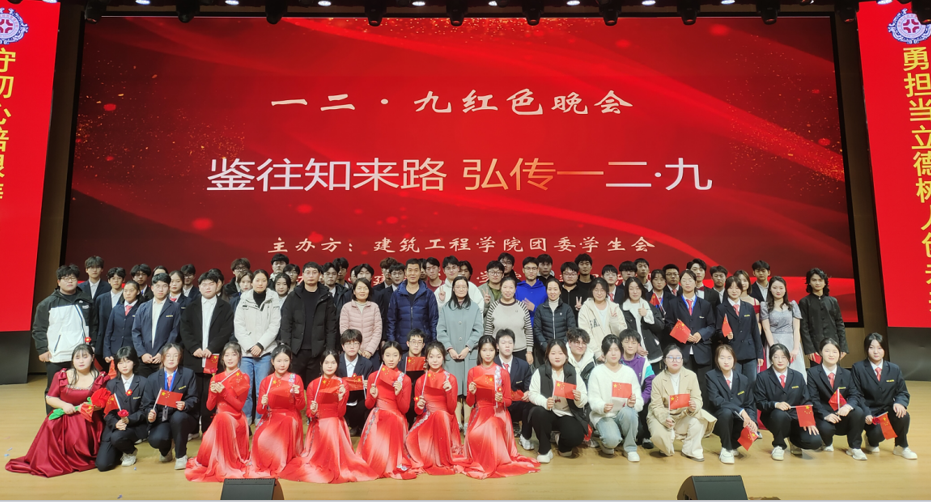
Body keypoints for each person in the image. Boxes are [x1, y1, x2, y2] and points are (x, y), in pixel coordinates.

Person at [6, 344, 109, 477]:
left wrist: (89, 407)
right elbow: (50, 398)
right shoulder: (62, 375)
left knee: (78, 434)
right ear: (72, 360)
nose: (81, 361)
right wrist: (64, 405)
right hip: (64, 415)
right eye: (77, 358)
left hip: (87, 418)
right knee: (51, 424)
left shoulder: (100, 377)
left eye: (85, 357)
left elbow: (103, 403)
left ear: (92, 357)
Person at [280, 350, 378, 484]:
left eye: (333, 363)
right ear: (321, 364)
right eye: (326, 362)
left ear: (337, 364)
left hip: (336, 422)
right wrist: (313, 410)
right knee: (328, 425)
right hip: (318, 423)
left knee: (332, 423)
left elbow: (341, 413)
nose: (330, 366)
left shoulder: (343, 384)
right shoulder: (313, 384)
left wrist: (341, 399)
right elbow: (309, 414)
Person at [462, 335, 539, 478]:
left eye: (491, 350)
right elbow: (470, 402)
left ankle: (491, 462)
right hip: (479, 412)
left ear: (495, 350)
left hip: (498, 413)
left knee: (491, 426)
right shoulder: (473, 372)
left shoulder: (502, 373)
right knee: (473, 435)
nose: (487, 353)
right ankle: (483, 460)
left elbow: (508, 401)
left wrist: (501, 400)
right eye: (484, 350)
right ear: (479, 351)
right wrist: (471, 392)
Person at [33, 264, 98, 413]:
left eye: (73, 278)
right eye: (65, 278)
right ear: (58, 282)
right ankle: (52, 420)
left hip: (81, 355)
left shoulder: (86, 301)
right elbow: (39, 329)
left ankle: (79, 419)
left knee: (81, 387)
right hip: (56, 355)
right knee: (53, 390)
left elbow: (94, 326)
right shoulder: (47, 304)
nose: (70, 281)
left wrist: (92, 345)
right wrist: (42, 349)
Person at [185, 342, 250, 481]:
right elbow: (209, 407)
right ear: (222, 358)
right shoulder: (216, 377)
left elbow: (239, 406)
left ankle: (225, 462)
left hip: (235, 417)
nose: (230, 358)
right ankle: (221, 461)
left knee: (222, 418)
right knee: (204, 458)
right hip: (220, 418)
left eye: (234, 354)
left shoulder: (243, 377)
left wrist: (224, 392)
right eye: (227, 355)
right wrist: (214, 393)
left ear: (239, 357)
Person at [356, 341, 420, 480]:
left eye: (395, 355)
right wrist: (372, 396)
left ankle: (387, 462)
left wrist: (398, 393)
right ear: (382, 357)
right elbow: (368, 405)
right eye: (388, 355)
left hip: (396, 417)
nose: (391, 359)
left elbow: (404, 409)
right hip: (377, 415)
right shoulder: (374, 377)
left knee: (392, 420)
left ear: (400, 357)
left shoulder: (405, 379)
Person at [180, 271, 234, 436]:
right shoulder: (191, 306)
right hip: (194, 358)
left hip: (214, 357)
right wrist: (194, 348)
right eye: (204, 284)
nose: (207, 287)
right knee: (194, 394)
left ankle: (208, 429)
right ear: (199, 286)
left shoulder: (225, 307)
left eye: (211, 284)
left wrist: (211, 348)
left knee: (211, 394)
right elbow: (185, 330)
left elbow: (226, 331)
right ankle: (193, 429)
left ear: (217, 286)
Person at [406, 341, 467, 476]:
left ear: (443, 357)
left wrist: (449, 392)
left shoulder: (450, 379)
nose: (435, 360)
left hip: (445, 419)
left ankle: (440, 457)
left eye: (438, 357)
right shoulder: (421, 381)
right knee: (409, 440)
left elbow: (451, 409)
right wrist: (419, 405)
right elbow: (417, 411)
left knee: (441, 415)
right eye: (431, 356)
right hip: (427, 418)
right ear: (426, 358)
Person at [851, 333, 917, 459]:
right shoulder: (858, 368)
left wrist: (900, 403)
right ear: (866, 349)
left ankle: (901, 447)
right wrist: (866, 413)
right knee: (877, 434)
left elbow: (902, 392)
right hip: (870, 412)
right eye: (871, 347)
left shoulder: (894, 368)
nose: (876, 351)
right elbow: (857, 394)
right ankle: (871, 440)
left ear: (884, 349)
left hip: (888, 410)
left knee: (903, 415)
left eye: (879, 348)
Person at [647, 345, 716, 462]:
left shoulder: (691, 376)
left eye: (678, 357)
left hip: (684, 414)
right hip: (664, 416)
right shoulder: (657, 380)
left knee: (702, 417)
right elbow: (656, 406)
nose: (675, 360)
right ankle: (668, 440)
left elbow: (697, 398)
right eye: (671, 357)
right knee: (660, 440)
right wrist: (665, 419)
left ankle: (691, 449)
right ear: (665, 360)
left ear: (682, 360)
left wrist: (694, 405)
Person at [526, 339, 589, 463]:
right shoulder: (540, 371)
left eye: (561, 353)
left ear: (566, 355)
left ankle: (561, 443)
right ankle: (544, 449)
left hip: (567, 413)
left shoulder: (573, 372)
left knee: (575, 437)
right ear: (547, 355)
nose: (557, 356)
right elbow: (532, 394)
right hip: (547, 412)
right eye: (553, 353)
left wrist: (579, 398)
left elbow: (584, 397)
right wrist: (544, 402)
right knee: (538, 412)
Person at [754, 343, 822, 460]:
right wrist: (775, 404)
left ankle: (794, 440)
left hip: (796, 417)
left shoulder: (798, 376)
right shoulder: (762, 377)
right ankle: (779, 445)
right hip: (774, 417)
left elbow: (806, 400)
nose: (780, 360)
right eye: (776, 357)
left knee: (815, 441)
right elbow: (759, 402)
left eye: (783, 357)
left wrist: (808, 421)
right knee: (779, 414)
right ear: (771, 359)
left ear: (788, 359)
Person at [279, 261, 339, 388]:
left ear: (320, 275)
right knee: (293, 387)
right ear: (302, 275)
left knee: (314, 387)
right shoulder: (293, 296)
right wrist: (287, 347)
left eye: (314, 272)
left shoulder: (326, 297)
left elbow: (331, 327)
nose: (311, 275)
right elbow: (286, 323)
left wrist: (329, 350)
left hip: (318, 351)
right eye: (307, 272)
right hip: (296, 351)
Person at [250, 346, 306, 478]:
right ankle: (267, 461)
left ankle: (279, 461)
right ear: (272, 361)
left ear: (290, 361)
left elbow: (301, 406)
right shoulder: (266, 381)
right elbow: (260, 410)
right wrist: (263, 403)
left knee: (286, 424)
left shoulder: (295, 379)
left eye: (286, 360)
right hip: (271, 416)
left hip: (290, 416)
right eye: (279, 361)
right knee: (259, 438)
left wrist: (298, 395)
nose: (282, 364)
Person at [233, 269, 280, 427]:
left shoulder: (273, 298)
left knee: (262, 390)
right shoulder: (244, 299)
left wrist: (260, 345)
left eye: (263, 280)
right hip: (246, 352)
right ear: (252, 282)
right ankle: (245, 419)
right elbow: (238, 325)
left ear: (267, 282)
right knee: (245, 389)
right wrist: (250, 345)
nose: (260, 283)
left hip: (265, 351)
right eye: (257, 280)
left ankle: (261, 419)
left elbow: (275, 325)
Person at [807, 339, 867, 460]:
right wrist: (825, 415)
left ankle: (854, 447)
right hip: (823, 414)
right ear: (820, 352)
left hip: (841, 413)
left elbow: (855, 394)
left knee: (858, 412)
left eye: (835, 351)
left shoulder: (847, 374)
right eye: (827, 351)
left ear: (840, 354)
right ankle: (826, 442)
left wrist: (848, 406)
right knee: (826, 429)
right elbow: (813, 399)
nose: (831, 354)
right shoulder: (812, 373)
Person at [143, 343, 199, 469]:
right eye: (168, 356)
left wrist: (185, 404)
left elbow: (194, 398)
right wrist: (150, 413)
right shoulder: (152, 378)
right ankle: (166, 450)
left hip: (183, 417)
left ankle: (181, 455)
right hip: (162, 418)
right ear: (162, 358)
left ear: (180, 357)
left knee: (178, 417)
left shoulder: (188, 374)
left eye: (175, 355)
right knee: (156, 439)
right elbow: (147, 403)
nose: (171, 359)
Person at [436, 276, 483, 427]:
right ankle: (456, 422)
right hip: (452, 355)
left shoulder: (474, 307)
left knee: (469, 389)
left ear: (468, 289)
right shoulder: (446, 308)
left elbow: (478, 330)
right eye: (458, 286)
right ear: (453, 289)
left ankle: (468, 422)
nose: (461, 289)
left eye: (464, 286)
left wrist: (468, 347)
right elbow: (441, 331)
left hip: (470, 354)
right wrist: (449, 348)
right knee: (454, 389)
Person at [587, 334, 642, 462]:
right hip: (604, 415)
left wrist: (632, 403)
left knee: (629, 412)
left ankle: (630, 448)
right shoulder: (597, 372)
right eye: (609, 350)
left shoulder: (629, 372)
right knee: (611, 441)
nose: (613, 353)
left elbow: (638, 400)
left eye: (616, 349)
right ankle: (607, 442)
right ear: (604, 353)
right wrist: (602, 406)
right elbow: (593, 399)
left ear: (621, 352)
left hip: (623, 413)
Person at [663, 270, 715, 402]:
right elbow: (668, 324)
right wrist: (683, 335)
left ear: (696, 282)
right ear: (680, 282)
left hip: (702, 350)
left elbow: (712, 326)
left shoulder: (705, 304)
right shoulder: (673, 303)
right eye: (684, 280)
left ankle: (703, 411)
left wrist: (700, 334)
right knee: (683, 385)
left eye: (690, 280)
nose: (687, 283)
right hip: (682, 350)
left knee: (703, 385)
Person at [96, 346, 146, 471]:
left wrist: (129, 420)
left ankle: (130, 451)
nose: (124, 366)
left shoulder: (143, 382)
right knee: (103, 465)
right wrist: (115, 423)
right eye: (120, 363)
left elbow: (145, 410)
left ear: (134, 362)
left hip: (135, 426)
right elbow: (107, 412)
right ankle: (119, 449)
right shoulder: (111, 384)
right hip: (115, 426)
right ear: (116, 365)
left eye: (127, 361)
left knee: (117, 437)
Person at [705, 344, 758, 464]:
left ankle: (732, 445)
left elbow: (749, 403)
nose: (726, 361)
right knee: (726, 412)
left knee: (752, 430)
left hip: (738, 420)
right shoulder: (711, 376)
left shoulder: (743, 379)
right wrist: (740, 410)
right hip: (720, 418)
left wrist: (752, 420)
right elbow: (716, 400)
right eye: (722, 358)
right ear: (717, 359)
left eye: (729, 358)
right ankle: (726, 448)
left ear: (734, 359)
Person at [716, 277, 763, 386]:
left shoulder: (749, 307)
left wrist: (760, 354)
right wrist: (725, 335)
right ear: (726, 289)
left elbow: (755, 332)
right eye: (731, 288)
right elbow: (717, 331)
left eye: (737, 288)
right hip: (732, 352)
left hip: (750, 352)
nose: (734, 291)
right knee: (735, 384)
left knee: (751, 383)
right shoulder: (721, 308)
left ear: (741, 289)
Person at [132, 275, 182, 379]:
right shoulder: (143, 307)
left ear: (168, 288)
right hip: (144, 358)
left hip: (164, 358)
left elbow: (174, 332)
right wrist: (142, 353)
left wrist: (162, 353)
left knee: (162, 386)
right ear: (152, 288)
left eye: (164, 286)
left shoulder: (175, 307)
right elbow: (136, 331)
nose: (161, 289)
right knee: (144, 386)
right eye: (158, 286)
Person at [387, 258, 439, 351]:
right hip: (402, 343)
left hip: (423, 344)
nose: (413, 273)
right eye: (410, 270)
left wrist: (434, 342)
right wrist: (392, 343)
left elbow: (433, 321)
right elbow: (391, 321)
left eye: (416, 270)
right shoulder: (396, 294)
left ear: (420, 272)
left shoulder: (428, 294)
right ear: (405, 272)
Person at [799, 268, 848, 362]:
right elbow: (803, 327)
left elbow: (840, 324)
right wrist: (810, 349)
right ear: (809, 282)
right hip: (815, 345)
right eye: (814, 280)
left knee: (834, 369)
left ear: (825, 282)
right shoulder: (804, 302)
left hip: (833, 343)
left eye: (820, 280)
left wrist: (843, 347)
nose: (817, 283)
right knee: (817, 369)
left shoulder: (833, 301)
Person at [761, 276, 805, 376]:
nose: (778, 291)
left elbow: (796, 329)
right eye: (775, 288)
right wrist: (773, 347)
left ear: (785, 289)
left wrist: (796, 349)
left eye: (781, 288)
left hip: (791, 342)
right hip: (773, 340)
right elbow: (766, 329)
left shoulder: (792, 305)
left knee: (795, 372)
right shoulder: (765, 306)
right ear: (770, 289)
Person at [619, 330, 655, 449]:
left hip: (638, 401)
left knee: (651, 400)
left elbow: (650, 384)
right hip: (619, 401)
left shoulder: (644, 362)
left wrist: (641, 400)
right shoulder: (616, 361)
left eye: (634, 343)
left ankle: (646, 437)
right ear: (621, 343)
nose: (630, 346)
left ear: (638, 345)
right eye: (626, 342)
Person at [484, 276, 534, 364]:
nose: (508, 290)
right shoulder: (493, 306)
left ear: (515, 289)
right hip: (498, 351)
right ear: (500, 288)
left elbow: (528, 331)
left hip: (520, 351)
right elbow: (488, 331)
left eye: (511, 287)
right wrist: (488, 350)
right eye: (505, 287)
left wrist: (529, 352)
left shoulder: (522, 306)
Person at [495, 329, 533, 441]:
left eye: (510, 342)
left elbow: (528, 386)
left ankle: (525, 437)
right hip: (497, 404)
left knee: (530, 403)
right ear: (497, 346)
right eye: (503, 343)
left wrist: (528, 392)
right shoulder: (492, 364)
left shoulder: (523, 365)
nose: (507, 345)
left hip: (516, 404)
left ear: (514, 345)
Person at [336, 329, 376, 435]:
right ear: (343, 346)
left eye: (355, 343)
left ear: (360, 345)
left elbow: (369, 391)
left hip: (358, 400)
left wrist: (367, 385)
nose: (352, 347)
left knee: (367, 404)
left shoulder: (367, 364)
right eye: (348, 344)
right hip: (341, 398)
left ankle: (358, 425)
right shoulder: (336, 362)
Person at [577, 278, 626, 361]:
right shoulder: (585, 309)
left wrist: (613, 321)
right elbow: (585, 333)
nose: (599, 293)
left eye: (602, 290)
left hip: (614, 353)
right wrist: (597, 353)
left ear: (606, 291)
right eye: (596, 290)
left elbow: (622, 333)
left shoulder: (614, 307)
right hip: (593, 354)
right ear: (592, 291)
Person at [620, 277, 664, 372]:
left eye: (637, 288)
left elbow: (660, 327)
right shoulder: (621, 309)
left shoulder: (650, 307)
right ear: (627, 291)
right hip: (631, 354)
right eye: (631, 289)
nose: (635, 292)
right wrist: (635, 346)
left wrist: (647, 315)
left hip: (653, 352)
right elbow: (623, 332)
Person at [532, 277, 577, 366]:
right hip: (544, 351)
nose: (552, 292)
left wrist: (562, 346)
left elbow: (571, 329)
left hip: (564, 350)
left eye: (555, 289)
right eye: (550, 289)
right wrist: (546, 347)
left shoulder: (567, 309)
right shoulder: (540, 309)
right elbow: (537, 330)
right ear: (546, 291)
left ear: (560, 291)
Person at [339, 278, 382, 360]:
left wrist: (369, 350)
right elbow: (344, 330)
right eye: (359, 288)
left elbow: (377, 331)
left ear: (369, 291)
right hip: (351, 351)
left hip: (371, 352)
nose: (362, 291)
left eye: (365, 288)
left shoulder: (374, 307)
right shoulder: (346, 307)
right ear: (354, 291)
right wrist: (355, 349)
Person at [95, 267, 126, 368]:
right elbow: (95, 321)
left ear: (123, 280)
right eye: (113, 278)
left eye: (119, 278)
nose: (116, 281)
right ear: (108, 280)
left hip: (121, 339)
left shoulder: (128, 298)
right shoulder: (101, 298)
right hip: (103, 338)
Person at [103, 280, 141, 364]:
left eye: (131, 290)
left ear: (138, 292)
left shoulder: (141, 309)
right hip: (115, 350)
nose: (128, 293)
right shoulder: (116, 309)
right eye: (125, 291)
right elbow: (108, 332)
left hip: (132, 350)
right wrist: (107, 352)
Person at [399, 329, 427, 426]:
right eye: (413, 342)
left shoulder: (427, 360)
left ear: (423, 345)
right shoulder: (400, 360)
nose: (416, 345)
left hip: (421, 396)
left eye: (419, 342)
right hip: (404, 395)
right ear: (408, 343)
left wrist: (427, 372)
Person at [515, 257, 546, 326]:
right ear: (523, 270)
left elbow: (549, 313)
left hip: (540, 329)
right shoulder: (516, 289)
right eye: (528, 268)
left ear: (538, 270)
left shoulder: (545, 290)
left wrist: (534, 308)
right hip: (520, 328)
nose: (531, 271)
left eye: (534, 268)